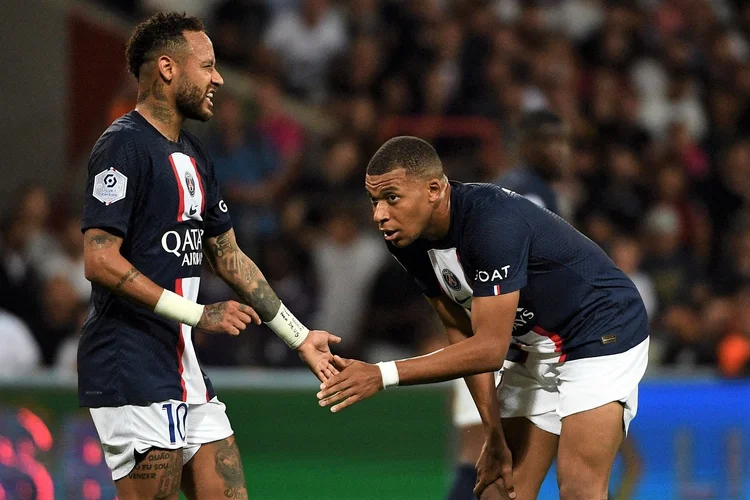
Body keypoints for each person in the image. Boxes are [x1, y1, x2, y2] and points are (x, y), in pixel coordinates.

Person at [80, 12, 339, 500]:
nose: (219, 78)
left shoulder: (195, 154)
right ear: (167, 68)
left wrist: (299, 337)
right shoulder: (122, 147)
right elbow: (99, 260)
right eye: (208, 66)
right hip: (130, 362)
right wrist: (199, 314)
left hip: (182, 365)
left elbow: (229, 257)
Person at [317, 136, 650, 500]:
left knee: (579, 488)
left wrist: (382, 374)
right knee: (496, 489)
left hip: (601, 329)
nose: (379, 214)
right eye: (374, 201)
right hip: (533, 345)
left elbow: (489, 350)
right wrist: (493, 433)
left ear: (433, 189)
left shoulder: (491, 223)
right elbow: (461, 333)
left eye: (391, 198)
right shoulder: (406, 239)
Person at [446, 109, 571, 500]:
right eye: (550, 141)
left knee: (484, 461)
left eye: (564, 141)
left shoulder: (506, 188)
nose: (561, 150)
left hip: (486, 333)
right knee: (490, 462)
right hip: (507, 344)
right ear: (528, 146)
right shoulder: (529, 192)